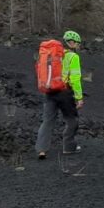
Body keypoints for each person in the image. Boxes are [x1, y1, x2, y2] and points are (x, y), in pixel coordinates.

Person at [36, 30, 84, 159]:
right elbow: (75, 79)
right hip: (64, 92)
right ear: (72, 43)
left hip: (50, 90)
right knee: (71, 119)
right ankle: (69, 147)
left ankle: (42, 150)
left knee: (47, 121)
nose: (79, 46)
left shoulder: (52, 55)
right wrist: (79, 97)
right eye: (78, 44)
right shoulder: (73, 57)